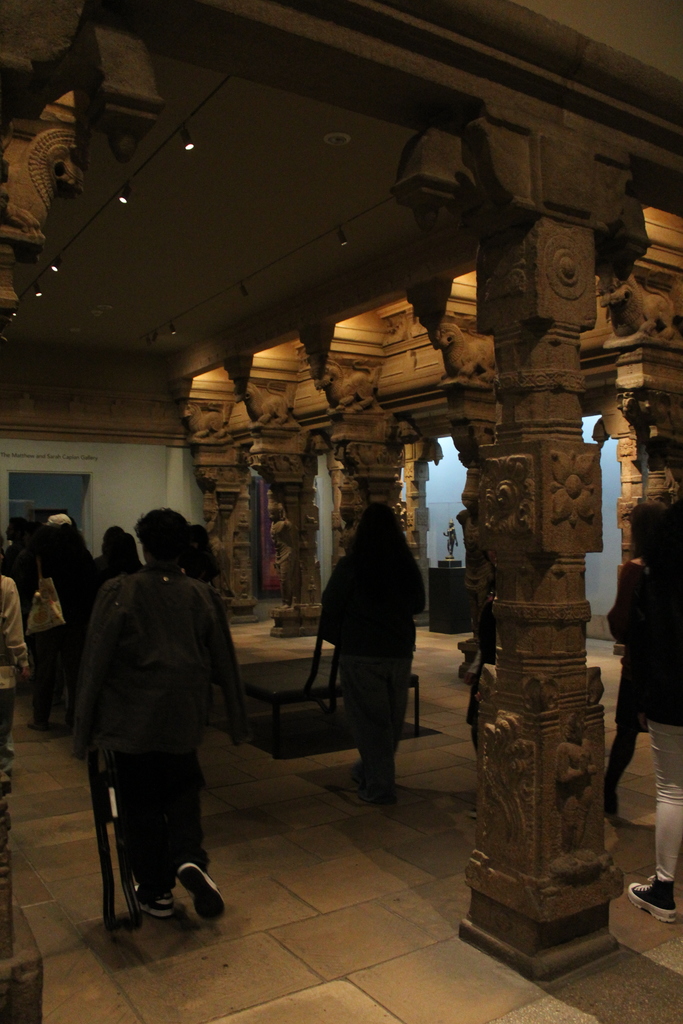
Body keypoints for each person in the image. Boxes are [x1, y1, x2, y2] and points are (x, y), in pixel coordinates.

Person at [73, 508, 250, 920]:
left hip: (131, 719)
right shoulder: (199, 594)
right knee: (183, 787)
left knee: (140, 802)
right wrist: (239, 720)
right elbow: (225, 658)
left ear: (145, 546)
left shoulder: (120, 590)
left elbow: (95, 660)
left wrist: (83, 729)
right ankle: (189, 857)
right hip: (183, 715)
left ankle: (156, 890)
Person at [321, 502, 425, 805]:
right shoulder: (404, 564)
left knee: (370, 721)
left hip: (362, 651)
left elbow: (330, 602)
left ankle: (379, 786)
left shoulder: (353, 565)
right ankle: (369, 768)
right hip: (398, 651)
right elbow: (418, 603)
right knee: (390, 720)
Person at [627, 498, 683, 923]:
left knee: (672, 790)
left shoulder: (656, 575)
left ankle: (663, 888)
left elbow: (641, 640)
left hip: (670, 693)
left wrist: (642, 699)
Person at [604, 501, 665, 815]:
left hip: (638, 670)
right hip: (670, 668)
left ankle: (608, 792)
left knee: (627, 732)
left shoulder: (635, 569)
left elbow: (620, 622)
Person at [25, 516, 98, 730]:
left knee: (45, 669)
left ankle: (40, 717)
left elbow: (29, 583)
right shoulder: (81, 554)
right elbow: (90, 586)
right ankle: (75, 717)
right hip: (75, 621)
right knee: (74, 672)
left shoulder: (41, 553)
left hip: (48, 619)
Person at [0, 541, 30, 779]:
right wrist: (23, 661)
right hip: (1, 668)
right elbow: (12, 629)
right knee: (2, 728)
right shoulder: (6, 585)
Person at [463, 552, 497, 752]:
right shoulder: (492, 581)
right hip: (487, 662)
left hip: (498, 665)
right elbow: (486, 640)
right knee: (479, 725)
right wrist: (476, 666)